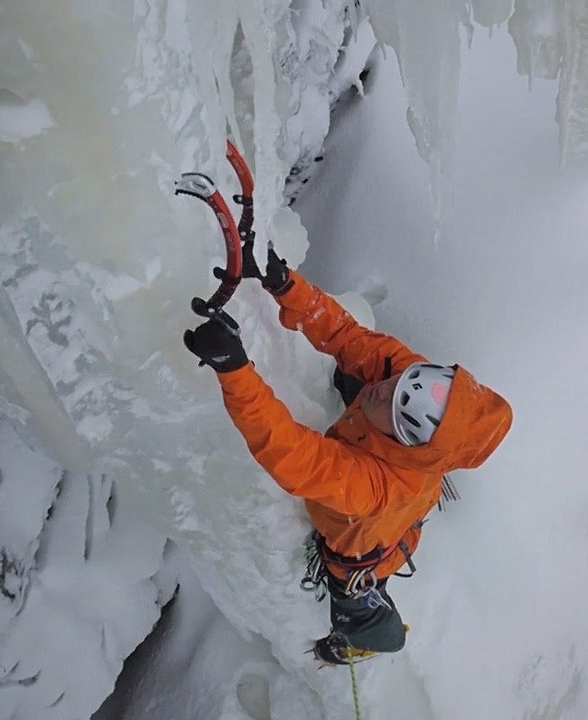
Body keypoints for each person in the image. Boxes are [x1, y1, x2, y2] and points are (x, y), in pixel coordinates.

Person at [182, 242, 513, 665]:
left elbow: (293, 455)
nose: (386, 387)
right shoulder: (413, 384)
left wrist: (234, 371)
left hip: (361, 550)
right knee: (361, 368)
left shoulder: (370, 489)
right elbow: (348, 337)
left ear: (403, 441)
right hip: (400, 502)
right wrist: (282, 283)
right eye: (402, 381)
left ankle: (370, 637)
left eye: (395, 406)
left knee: (353, 602)